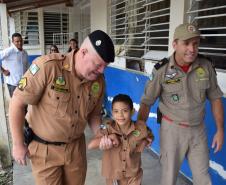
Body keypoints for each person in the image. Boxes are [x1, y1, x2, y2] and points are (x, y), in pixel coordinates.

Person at [9, 30, 115, 185]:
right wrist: (18, 144)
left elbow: (94, 114)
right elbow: (17, 103)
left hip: (76, 151)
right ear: (83, 52)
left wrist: (100, 133)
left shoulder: (98, 81)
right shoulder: (47, 67)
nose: (101, 71)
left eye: (105, 67)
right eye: (98, 65)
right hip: (45, 151)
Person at [137, 23, 224, 185]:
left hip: (198, 131)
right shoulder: (162, 70)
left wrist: (220, 130)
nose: (192, 49)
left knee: (203, 178)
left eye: (195, 43)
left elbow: (215, 97)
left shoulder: (205, 66)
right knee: (169, 178)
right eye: (186, 43)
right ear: (175, 44)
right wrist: (140, 130)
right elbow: (146, 102)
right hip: (172, 131)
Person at [88, 94, 154, 185]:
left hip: (133, 175)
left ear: (132, 112)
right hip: (114, 177)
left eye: (125, 111)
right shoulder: (108, 128)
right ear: (112, 112)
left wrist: (146, 141)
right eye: (116, 111)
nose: (120, 115)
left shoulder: (140, 128)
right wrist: (109, 138)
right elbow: (90, 145)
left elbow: (149, 136)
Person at [0, 33, 29, 97]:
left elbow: (27, 66)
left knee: (24, 102)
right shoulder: (9, 51)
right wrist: (3, 71)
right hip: (13, 83)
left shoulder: (24, 52)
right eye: (17, 41)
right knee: (16, 104)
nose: (20, 43)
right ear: (13, 42)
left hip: (23, 82)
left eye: (21, 41)